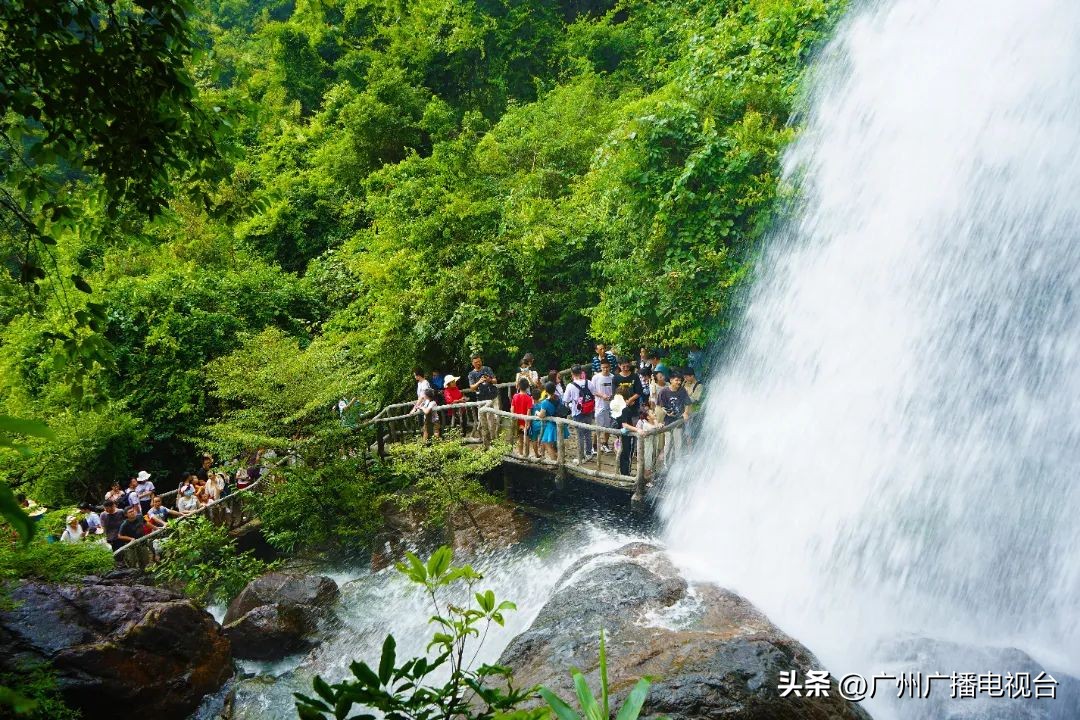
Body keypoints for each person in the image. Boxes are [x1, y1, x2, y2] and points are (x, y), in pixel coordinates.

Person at [562, 365, 596, 462]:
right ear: (581, 372)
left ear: (572, 374)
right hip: (589, 411)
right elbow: (593, 394)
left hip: (578, 413)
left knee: (580, 435)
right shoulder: (588, 382)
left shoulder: (570, 386)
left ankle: (581, 457)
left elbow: (566, 400)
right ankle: (589, 453)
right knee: (588, 433)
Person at [535, 381, 567, 460]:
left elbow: (542, 415)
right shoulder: (558, 398)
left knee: (546, 443)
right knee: (560, 443)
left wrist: (536, 412)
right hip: (560, 422)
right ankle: (561, 459)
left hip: (551, 425)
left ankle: (554, 460)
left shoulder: (545, 402)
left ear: (545, 391)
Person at [591, 358, 616, 453]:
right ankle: (594, 446)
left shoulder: (613, 377)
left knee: (608, 426)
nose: (605, 369)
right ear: (601, 367)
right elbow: (593, 391)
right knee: (598, 426)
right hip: (599, 405)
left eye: (607, 367)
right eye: (603, 367)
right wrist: (602, 395)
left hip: (610, 405)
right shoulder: (596, 377)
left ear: (610, 367)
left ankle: (605, 444)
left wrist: (611, 397)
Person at [510, 378, 534, 456]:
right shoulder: (529, 398)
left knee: (520, 439)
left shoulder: (515, 396)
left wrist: (513, 420)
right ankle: (526, 455)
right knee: (526, 439)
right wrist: (527, 423)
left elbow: (512, 409)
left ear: (518, 386)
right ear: (527, 387)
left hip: (517, 421)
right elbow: (529, 411)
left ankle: (520, 454)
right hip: (524, 421)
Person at [475, 369, 500, 445]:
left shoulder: (491, 385)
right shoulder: (478, 386)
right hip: (482, 405)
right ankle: (484, 440)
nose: (484, 378)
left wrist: (490, 380)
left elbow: (495, 382)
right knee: (481, 424)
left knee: (493, 422)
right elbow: (474, 390)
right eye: (482, 377)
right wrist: (479, 382)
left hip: (491, 403)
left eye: (485, 377)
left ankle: (493, 440)